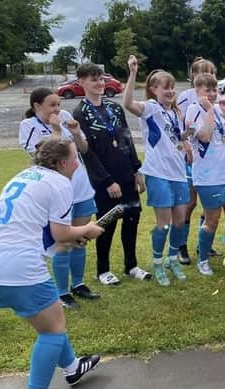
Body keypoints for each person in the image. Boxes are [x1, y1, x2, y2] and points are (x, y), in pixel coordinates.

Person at [0, 137, 104, 389]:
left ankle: (73, 367)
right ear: (62, 163)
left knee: (51, 322)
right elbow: (63, 233)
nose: (77, 163)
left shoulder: (26, 175)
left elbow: (47, 234)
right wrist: (86, 228)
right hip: (19, 267)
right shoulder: (61, 183)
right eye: (75, 157)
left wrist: (72, 238)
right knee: (53, 329)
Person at [18, 88, 98, 308]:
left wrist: (75, 132)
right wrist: (55, 129)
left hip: (81, 188)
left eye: (59, 104)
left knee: (80, 240)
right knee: (63, 242)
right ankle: (62, 292)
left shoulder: (65, 118)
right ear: (37, 106)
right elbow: (44, 158)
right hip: (57, 192)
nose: (58, 109)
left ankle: (78, 284)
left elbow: (83, 148)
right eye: (52, 105)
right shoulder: (28, 126)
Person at [73, 63, 152, 284]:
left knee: (131, 219)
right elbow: (87, 153)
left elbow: (126, 138)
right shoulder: (81, 113)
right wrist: (107, 181)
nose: (99, 83)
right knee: (106, 224)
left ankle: (131, 265)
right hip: (105, 181)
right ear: (81, 82)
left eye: (101, 79)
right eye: (93, 79)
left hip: (126, 176)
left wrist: (137, 170)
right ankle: (103, 270)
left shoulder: (114, 108)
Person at [123, 55, 192, 286]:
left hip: (178, 173)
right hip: (158, 174)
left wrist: (187, 137)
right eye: (166, 87)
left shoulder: (174, 112)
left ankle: (172, 259)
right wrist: (133, 74)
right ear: (154, 89)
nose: (171, 91)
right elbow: (128, 104)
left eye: (173, 87)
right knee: (163, 223)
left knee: (180, 221)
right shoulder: (151, 108)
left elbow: (175, 139)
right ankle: (158, 262)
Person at [186, 73, 225, 275]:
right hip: (209, 177)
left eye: (215, 90)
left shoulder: (220, 110)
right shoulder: (193, 111)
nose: (212, 94)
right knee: (212, 220)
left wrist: (224, 112)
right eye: (207, 90)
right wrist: (211, 111)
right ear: (197, 92)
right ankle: (203, 260)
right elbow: (203, 136)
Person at [177, 58, 218, 264]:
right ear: (194, 76)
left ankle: (205, 244)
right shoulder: (186, 97)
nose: (209, 75)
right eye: (204, 71)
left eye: (212, 72)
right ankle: (180, 246)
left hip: (213, 162)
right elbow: (181, 126)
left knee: (209, 204)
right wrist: (185, 145)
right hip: (193, 157)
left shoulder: (216, 98)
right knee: (190, 202)